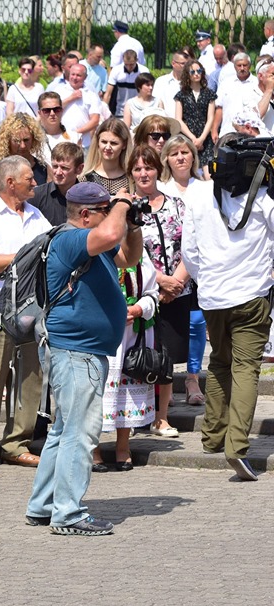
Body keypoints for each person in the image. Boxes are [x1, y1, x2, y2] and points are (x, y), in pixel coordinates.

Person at [25, 181, 143, 535]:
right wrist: (122, 203)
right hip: (77, 352)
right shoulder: (71, 239)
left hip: (81, 351)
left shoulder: (93, 242)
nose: (112, 215)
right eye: (106, 210)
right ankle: (68, 514)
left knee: (64, 430)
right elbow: (109, 234)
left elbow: (129, 258)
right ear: (87, 214)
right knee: (80, 433)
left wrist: (133, 224)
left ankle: (44, 505)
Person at [182, 133, 274, 481]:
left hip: (212, 297)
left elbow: (189, 252)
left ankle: (212, 437)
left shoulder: (197, 194)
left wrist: (206, 281)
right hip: (251, 296)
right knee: (246, 369)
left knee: (220, 362)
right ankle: (236, 447)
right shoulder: (264, 198)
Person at [0, 156, 51, 471]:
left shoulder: (36, 215)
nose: (35, 183)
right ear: (11, 182)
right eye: (29, 178)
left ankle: (16, 443)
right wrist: (26, 255)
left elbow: (51, 250)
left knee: (30, 379)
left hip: (31, 311)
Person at [129, 145, 190, 438]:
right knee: (141, 354)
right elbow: (127, 255)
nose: (144, 174)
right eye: (138, 169)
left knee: (165, 358)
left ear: (158, 170)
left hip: (177, 291)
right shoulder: (127, 208)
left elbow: (191, 246)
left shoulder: (177, 205)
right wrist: (160, 281)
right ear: (131, 173)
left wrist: (176, 282)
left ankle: (161, 418)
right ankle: (137, 414)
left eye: (149, 168)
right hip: (143, 292)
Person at [93, 247, 158, 472]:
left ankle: (123, 446)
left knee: (127, 387)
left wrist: (138, 309)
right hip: (99, 330)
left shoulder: (139, 252)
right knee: (95, 388)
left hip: (133, 335)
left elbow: (152, 292)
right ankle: (93, 448)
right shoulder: (93, 248)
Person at [159, 135, 208, 405]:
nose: (180, 157)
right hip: (167, 267)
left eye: (185, 152)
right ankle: (163, 381)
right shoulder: (161, 187)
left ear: (193, 156)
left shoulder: (205, 188)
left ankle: (192, 378)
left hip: (199, 264)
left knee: (197, 322)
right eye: (174, 153)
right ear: (166, 158)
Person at [0, 114, 50, 200]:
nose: (22, 146)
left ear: (34, 139)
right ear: (8, 141)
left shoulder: (44, 168)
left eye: (26, 140)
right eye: (16, 141)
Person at [174, 59, 217, 171]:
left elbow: (210, 118)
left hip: (205, 138)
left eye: (199, 71)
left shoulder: (209, 93)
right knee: (187, 170)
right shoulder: (181, 95)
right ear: (187, 74)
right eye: (193, 72)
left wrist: (201, 139)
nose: (196, 74)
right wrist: (193, 138)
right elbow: (178, 119)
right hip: (187, 137)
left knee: (208, 173)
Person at [29, 142, 84, 225]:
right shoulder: (36, 196)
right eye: (55, 166)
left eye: (64, 168)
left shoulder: (88, 198)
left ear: (79, 169)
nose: (58, 172)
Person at [81, 117, 132, 195]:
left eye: (113, 143)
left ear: (124, 145)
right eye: (104, 142)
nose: (108, 147)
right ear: (98, 142)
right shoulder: (85, 178)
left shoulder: (131, 180)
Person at [58, 63, 102, 148]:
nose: (75, 78)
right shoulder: (59, 91)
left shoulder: (91, 95)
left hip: (83, 142)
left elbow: (95, 120)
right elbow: (53, 109)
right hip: (61, 140)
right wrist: (71, 98)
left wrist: (76, 133)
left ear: (85, 77)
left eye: (78, 75)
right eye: (73, 74)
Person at [104, 50, 148, 119]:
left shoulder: (143, 71)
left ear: (136, 60)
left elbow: (147, 92)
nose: (128, 67)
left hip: (139, 111)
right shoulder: (116, 71)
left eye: (131, 64)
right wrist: (104, 111)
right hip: (119, 111)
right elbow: (108, 93)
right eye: (126, 64)